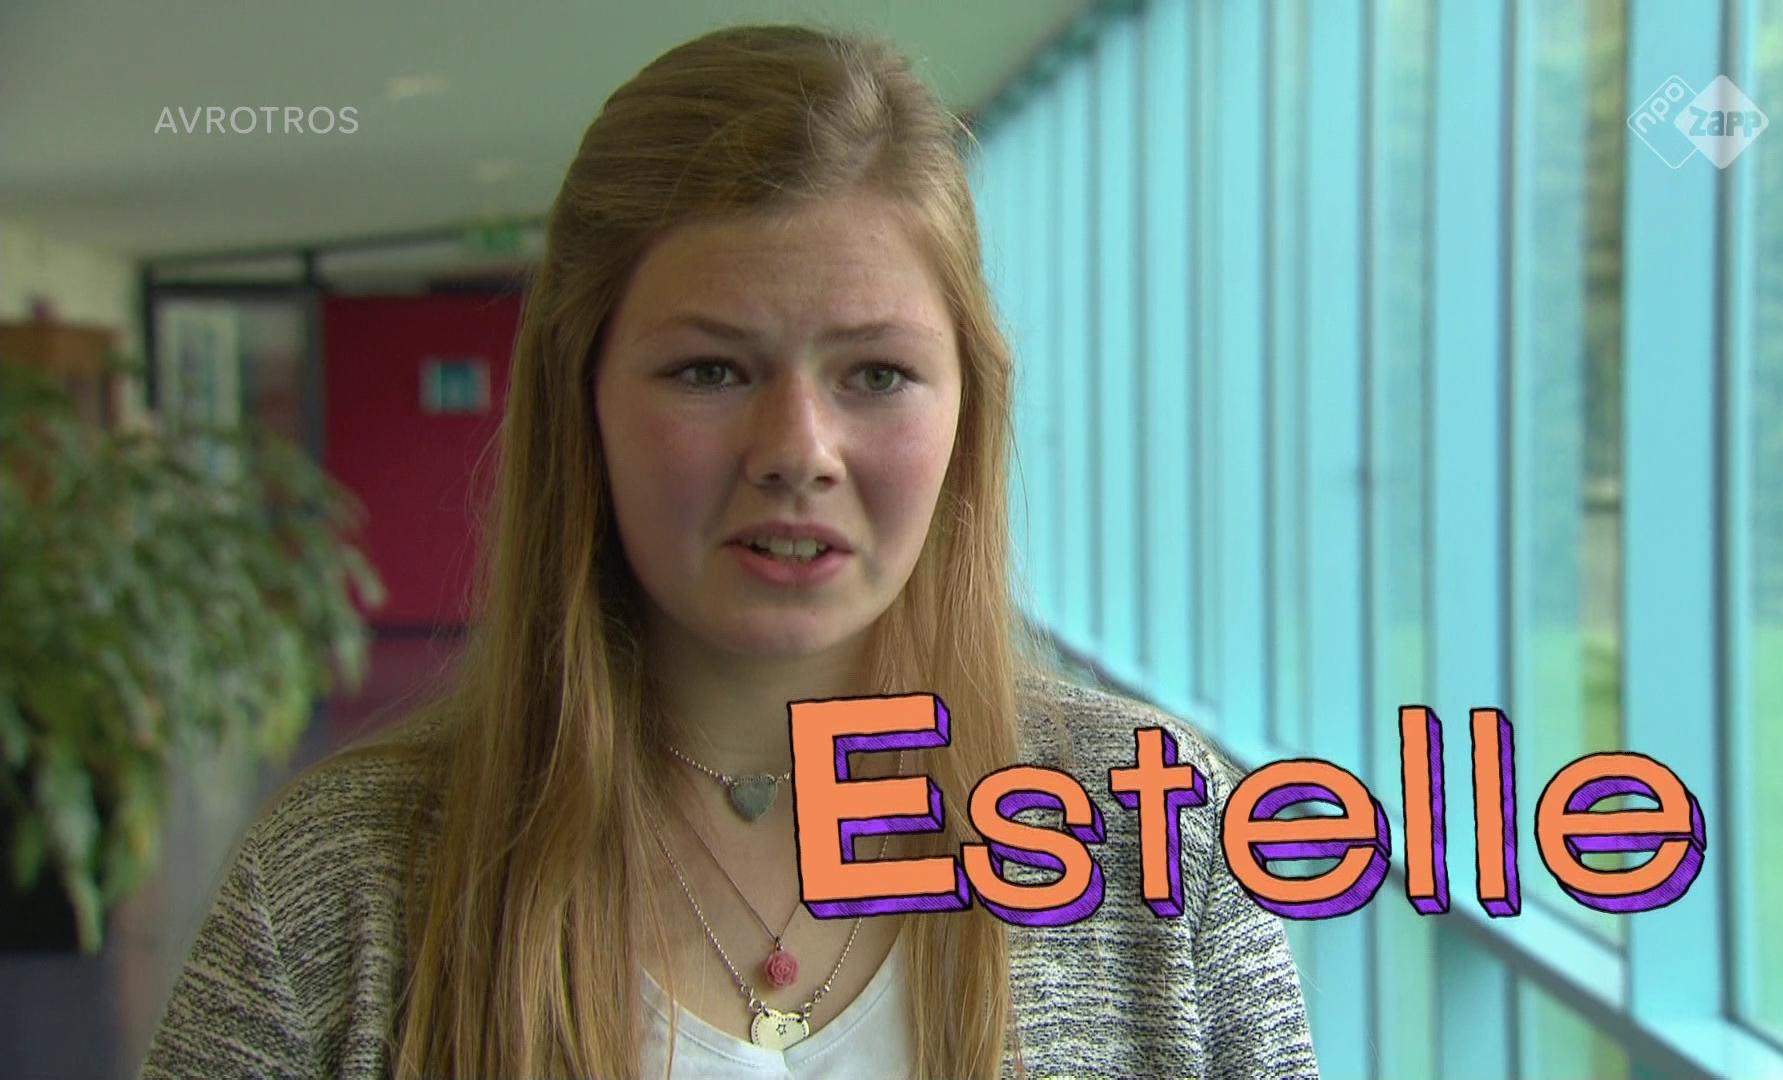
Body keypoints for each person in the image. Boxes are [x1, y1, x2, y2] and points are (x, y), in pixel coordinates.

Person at [140, 23, 1318, 1080]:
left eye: (877, 374)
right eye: (710, 370)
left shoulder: (1157, 828)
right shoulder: (339, 890)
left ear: (968, 412)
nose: (798, 451)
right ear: (582, 402)